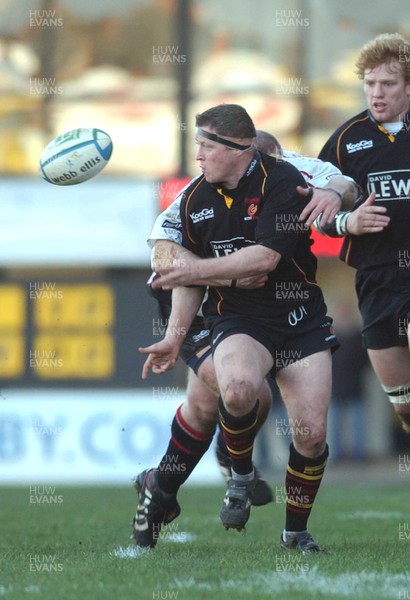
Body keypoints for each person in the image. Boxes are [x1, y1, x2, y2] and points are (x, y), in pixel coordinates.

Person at [134, 104, 341, 554]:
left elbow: (264, 261)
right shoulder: (192, 200)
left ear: (239, 149)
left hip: (299, 318)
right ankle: (239, 476)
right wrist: (173, 334)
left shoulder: (282, 182)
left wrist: (201, 269)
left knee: (310, 432)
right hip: (234, 318)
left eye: (206, 146)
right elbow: (175, 269)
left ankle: (294, 534)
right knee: (243, 391)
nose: (199, 156)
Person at [318, 32, 410, 436]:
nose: (377, 92)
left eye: (388, 83)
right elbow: (317, 216)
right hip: (376, 279)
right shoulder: (343, 142)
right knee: (405, 408)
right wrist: (346, 223)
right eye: (370, 83)